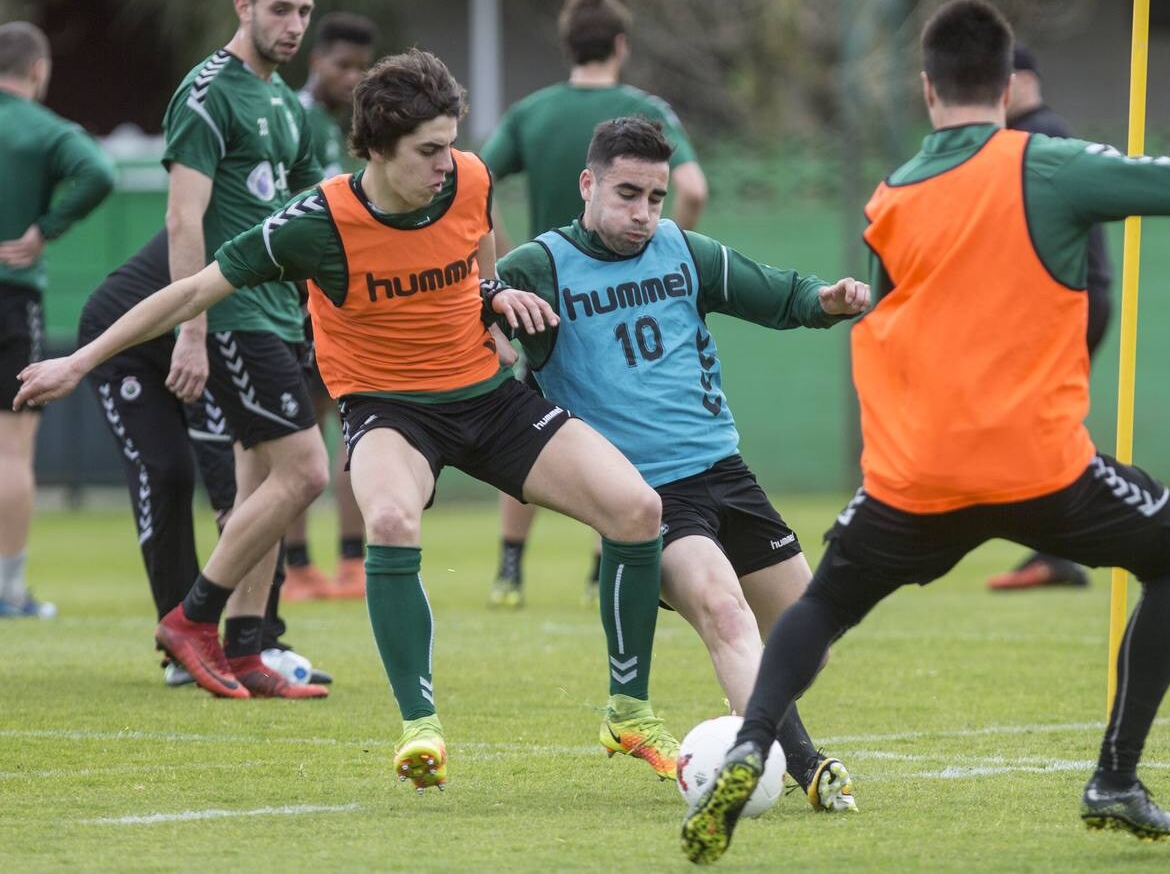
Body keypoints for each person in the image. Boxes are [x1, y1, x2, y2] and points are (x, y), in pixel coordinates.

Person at [680, 0, 1170, 863]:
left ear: (926, 90)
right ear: (1008, 86)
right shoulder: (1045, 162)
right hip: (1039, 469)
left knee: (820, 607)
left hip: (913, 477)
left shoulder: (891, 194)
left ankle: (750, 742)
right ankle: (1115, 776)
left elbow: (890, 318)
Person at [17, 49, 682, 789]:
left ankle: (628, 712)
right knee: (392, 520)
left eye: (451, 143)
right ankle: (419, 725)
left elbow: (480, 248)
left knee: (636, 508)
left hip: (487, 398)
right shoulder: (316, 223)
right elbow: (189, 293)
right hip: (390, 410)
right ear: (375, 148)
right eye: (428, 150)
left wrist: (492, 299)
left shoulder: (470, 177)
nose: (447, 162)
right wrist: (77, 363)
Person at [497, 115, 865, 809]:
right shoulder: (537, 267)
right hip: (643, 496)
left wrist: (826, 301)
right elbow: (468, 317)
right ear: (587, 184)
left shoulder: (683, 252)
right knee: (726, 614)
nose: (642, 214)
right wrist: (489, 312)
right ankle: (805, 766)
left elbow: (777, 293)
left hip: (725, 473)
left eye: (655, 197)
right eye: (626, 194)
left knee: (811, 635)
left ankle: (742, 707)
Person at [480, 0, 709, 609]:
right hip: (624, 303)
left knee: (528, 413)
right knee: (625, 423)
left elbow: (475, 179)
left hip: (547, 298)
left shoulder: (532, 112)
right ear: (621, 45)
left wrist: (505, 260)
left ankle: (509, 570)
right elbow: (692, 187)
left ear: (567, 45)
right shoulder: (644, 108)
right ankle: (601, 565)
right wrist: (667, 256)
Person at [149, 0, 331, 699]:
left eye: (304, 12)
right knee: (306, 473)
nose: (294, 25)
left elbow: (317, 215)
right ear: (244, 6)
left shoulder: (290, 106)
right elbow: (181, 220)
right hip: (233, 316)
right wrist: (190, 329)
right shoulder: (207, 93)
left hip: (284, 316)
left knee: (265, 484)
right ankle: (192, 619)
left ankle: (249, 648)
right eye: (280, 9)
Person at [78, 229, 331, 687]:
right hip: (141, 346)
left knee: (258, 480)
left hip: (206, 340)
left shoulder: (307, 273)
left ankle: (254, 642)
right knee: (171, 476)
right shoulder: (284, 236)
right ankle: (185, 644)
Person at [985, 44, 1115, 590]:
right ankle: (1056, 547)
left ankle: (1065, 546)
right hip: (1073, 299)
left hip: (1066, 301)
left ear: (1016, 82)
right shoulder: (1035, 133)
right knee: (1038, 422)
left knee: (1039, 424)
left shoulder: (1039, 134)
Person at [0, 21, 115, 618]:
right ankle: (9, 592)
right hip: (12, 300)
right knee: (12, 452)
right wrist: (45, 229)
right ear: (38, 71)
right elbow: (100, 173)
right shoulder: (45, 130)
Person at [283, 11, 379, 601]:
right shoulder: (290, 118)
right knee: (298, 429)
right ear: (316, 62)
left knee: (350, 424)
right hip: (293, 302)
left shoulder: (347, 128)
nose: (352, 77)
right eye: (343, 65)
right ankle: (295, 565)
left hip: (339, 305)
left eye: (361, 68)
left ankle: (350, 561)